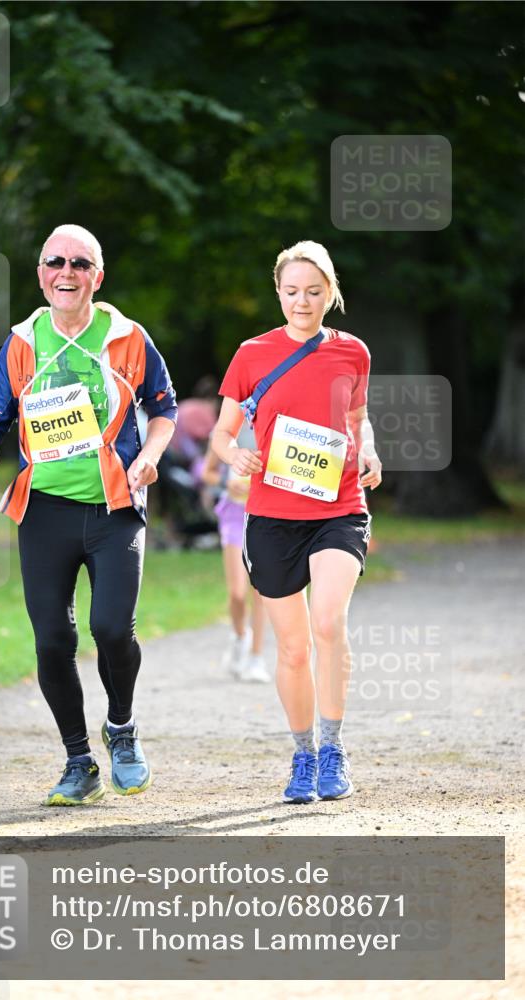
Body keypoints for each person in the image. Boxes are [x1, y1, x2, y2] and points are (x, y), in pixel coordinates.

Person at [0, 224, 177, 806]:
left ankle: (123, 730)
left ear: (96, 277)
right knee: (52, 640)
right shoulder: (22, 343)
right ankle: (79, 761)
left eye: (80, 263)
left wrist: (151, 458)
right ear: (40, 274)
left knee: (112, 627)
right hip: (45, 511)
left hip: (114, 506)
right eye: (55, 261)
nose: (67, 271)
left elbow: (164, 407)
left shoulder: (129, 338)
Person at [212, 240, 382, 804]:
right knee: (292, 649)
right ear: (278, 293)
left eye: (313, 291)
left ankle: (334, 749)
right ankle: (303, 755)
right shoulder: (252, 353)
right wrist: (234, 453)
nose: (302, 301)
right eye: (291, 292)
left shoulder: (352, 352)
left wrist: (370, 452)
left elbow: (358, 419)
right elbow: (221, 431)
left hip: (338, 506)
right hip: (272, 514)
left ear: (329, 292)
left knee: (328, 623)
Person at [200, 429, 269, 683]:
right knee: (237, 594)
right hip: (234, 514)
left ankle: (256, 657)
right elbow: (207, 472)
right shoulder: (229, 427)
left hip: (265, 514)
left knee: (261, 591)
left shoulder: (276, 420)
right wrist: (225, 483)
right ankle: (240, 636)